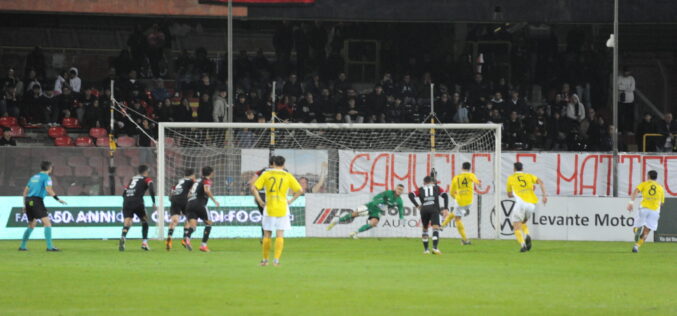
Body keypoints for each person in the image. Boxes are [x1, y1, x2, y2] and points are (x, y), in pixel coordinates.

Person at [251, 156, 304, 266]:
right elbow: (300, 190)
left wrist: (260, 201)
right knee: (280, 234)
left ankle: (265, 260)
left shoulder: (266, 174)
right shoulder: (287, 175)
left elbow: (254, 188)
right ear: (284, 164)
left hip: (269, 207)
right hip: (283, 208)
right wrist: (290, 201)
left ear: (273, 163)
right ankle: (276, 260)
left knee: (267, 234)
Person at [19, 161, 67, 251]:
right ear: (49, 168)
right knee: (47, 223)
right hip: (36, 201)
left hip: (28, 201)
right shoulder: (47, 177)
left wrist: (24, 205)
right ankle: (50, 247)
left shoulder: (33, 177)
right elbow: (48, 189)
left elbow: (25, 191)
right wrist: (58, 199)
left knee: (31, 225)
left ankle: (22, 246)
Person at [326, 184, 405, 239]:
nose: (399, 190)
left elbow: (401, 210)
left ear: (402, 191)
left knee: (373, 223)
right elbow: (376, 197)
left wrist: (401, 219)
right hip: (371, 205)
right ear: (395, 188)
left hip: (378, 211)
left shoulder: (399, 201)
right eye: (398, 189)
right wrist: (379, 203)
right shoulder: (388, 192)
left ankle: (355, 233)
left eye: (401, 190)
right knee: (355, 214)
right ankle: (336, 221)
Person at [506, 162, 547, 252]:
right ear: (522, 169)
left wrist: (517, 192)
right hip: (531, 205)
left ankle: (523, 245)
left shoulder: (511, 178)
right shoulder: (529, 176)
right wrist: (544, 196)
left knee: (516, 226)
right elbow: (541, 182)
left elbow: (509, 194)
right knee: (523, 222)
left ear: (514, 169)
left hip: (521, 204)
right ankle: (527, 235)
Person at [408, 175, 448, 254]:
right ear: (432, 182)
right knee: (435, 228)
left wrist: (417, 205)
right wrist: (446, 208)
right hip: (434, 208)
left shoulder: (420, 189)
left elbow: (410, 195)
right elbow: (445, 195)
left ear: (424, 182)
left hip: (424, 209)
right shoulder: (437, 187)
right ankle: (435, 248)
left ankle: (426, 250)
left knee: (425, 228)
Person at [442, 162, 480, 245]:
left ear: (462, 167)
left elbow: (451, 192)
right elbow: (477, 182)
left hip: (460, 201)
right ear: (470, 168)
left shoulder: (456, 177)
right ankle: (443, 225)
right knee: (455, 212)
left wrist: (456, 197)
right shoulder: (471, 175)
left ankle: (465, 240)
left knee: (457, 218)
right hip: (470, 201)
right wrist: (478, 184)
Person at [119, 165, 156, 252]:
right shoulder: (147, 179)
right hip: (137, 201)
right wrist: (153, 201)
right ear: (146, 171)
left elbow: (124, 193)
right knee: (145, 221)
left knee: (127, 222)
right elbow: (151, 189)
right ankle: (144, 243)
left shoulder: (132, 179)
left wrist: (127, 200)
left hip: (127, 201)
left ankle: (123, 236)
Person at [627, 170, 665, 253]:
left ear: (648, 176)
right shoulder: (660, 187)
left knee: (636, 226)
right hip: (654, 211)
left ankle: (637, 230)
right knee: (647, 231)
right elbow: (662, 203)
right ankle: (636, 247)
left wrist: (631, 203)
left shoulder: (644, 184)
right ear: (656, 177)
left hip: (644, 209)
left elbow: (635, 191)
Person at [184, 166, 220, 252]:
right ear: (211, 173)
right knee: (209, 223)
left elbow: (189, 194)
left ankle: (187, 238)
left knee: (193, 226)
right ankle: (203, 245)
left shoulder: (196, 181)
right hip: (199, 204)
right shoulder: (207, 181)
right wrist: (214, 201)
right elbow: (206, 190)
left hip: (189, 204)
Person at [165, 169, 196, 251]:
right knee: (189, 220)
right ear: (192, 175)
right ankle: (185, 239)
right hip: (184, 200)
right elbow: (193, 191)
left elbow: (170, 195)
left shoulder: (178, 182)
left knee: (174, 221)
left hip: (174, 200)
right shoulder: (191, 181)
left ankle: (169, 238)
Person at [248, 156, 276, 243]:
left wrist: (256, 196)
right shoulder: (281, 172)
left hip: (260, 196)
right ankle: (266, 238)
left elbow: (250, 182)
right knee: (271, 218)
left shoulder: (261, 171)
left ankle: (265, 237)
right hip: (272, 197)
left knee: (266, 217)